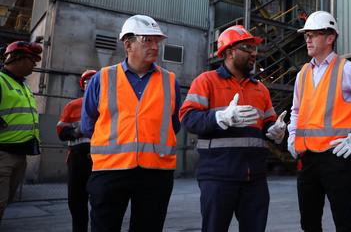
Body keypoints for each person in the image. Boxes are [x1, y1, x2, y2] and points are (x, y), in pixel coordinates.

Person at [81, 15, 182, 232]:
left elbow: (174, 124)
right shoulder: (102, 78)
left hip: (156, 173)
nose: (155, 46)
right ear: (128, 44)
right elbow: (88, 125)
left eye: (158, 41)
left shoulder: (170, 81)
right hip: (109, 171)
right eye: (147, 39)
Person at [287, 11, 351, 232]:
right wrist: (292, 137)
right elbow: (295, 111)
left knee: (343, 222)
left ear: (330, 38)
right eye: (306, 36)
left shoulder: (347, 69)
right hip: (307, 159)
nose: (308, 40)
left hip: (336, 158)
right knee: (309, 223)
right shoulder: (303, 74)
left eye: (313, 35)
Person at [180, 25, 284, 232]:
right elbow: (188, 118)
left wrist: (275, 130)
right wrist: (219, 117)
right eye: (247, 47)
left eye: (254, 49)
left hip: (254, 178)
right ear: (229, 52)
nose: (254, 53)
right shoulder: (206, 81)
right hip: (218, 178)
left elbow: (267, 123)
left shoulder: (260, 89)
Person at [0, 41, 42, 223]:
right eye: (31, 59)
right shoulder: (1, 80)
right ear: (17, 58)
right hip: (3, 154)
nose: (35, 64)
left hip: (20, 155)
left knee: (6, 201)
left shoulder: (23, 86)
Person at [56, 69, 97, 232]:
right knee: (76, 200)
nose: (92, 84)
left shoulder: (109, 105)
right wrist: (75, 132)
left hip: (102, 159)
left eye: (95, 81)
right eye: (88, 82)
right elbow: (61, 132)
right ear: (83, 86)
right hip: (78, 159)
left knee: (101, 200)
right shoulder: (72, 106)